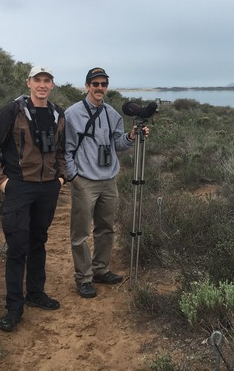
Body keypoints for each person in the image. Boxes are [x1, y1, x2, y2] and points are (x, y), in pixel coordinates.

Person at [0, 65, 66, 331]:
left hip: (48, 188)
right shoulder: (12, 111)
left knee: (38, 241)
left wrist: (61, 178)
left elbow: (62, 149)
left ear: (52, 85)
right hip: (19, 187)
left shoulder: (57, 113)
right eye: (37, 80)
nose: (42, 84)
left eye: (47, 80)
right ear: (29, 83)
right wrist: (3, 182)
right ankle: (14, 307)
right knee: (17, 247)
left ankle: (36, 294)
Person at [64, 67, 148, 298]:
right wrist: (74, 176)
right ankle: (83, 277)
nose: (100, 88)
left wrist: (131, 137)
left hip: (109, 181)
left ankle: (100, 269)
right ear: (87, 86)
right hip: (85, 182)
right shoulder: (72, 114)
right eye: (95, 84)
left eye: (104, 84)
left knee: (106, 229)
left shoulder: (112, 114)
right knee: (80, 233)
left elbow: (118, 145)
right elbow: (66, 149)